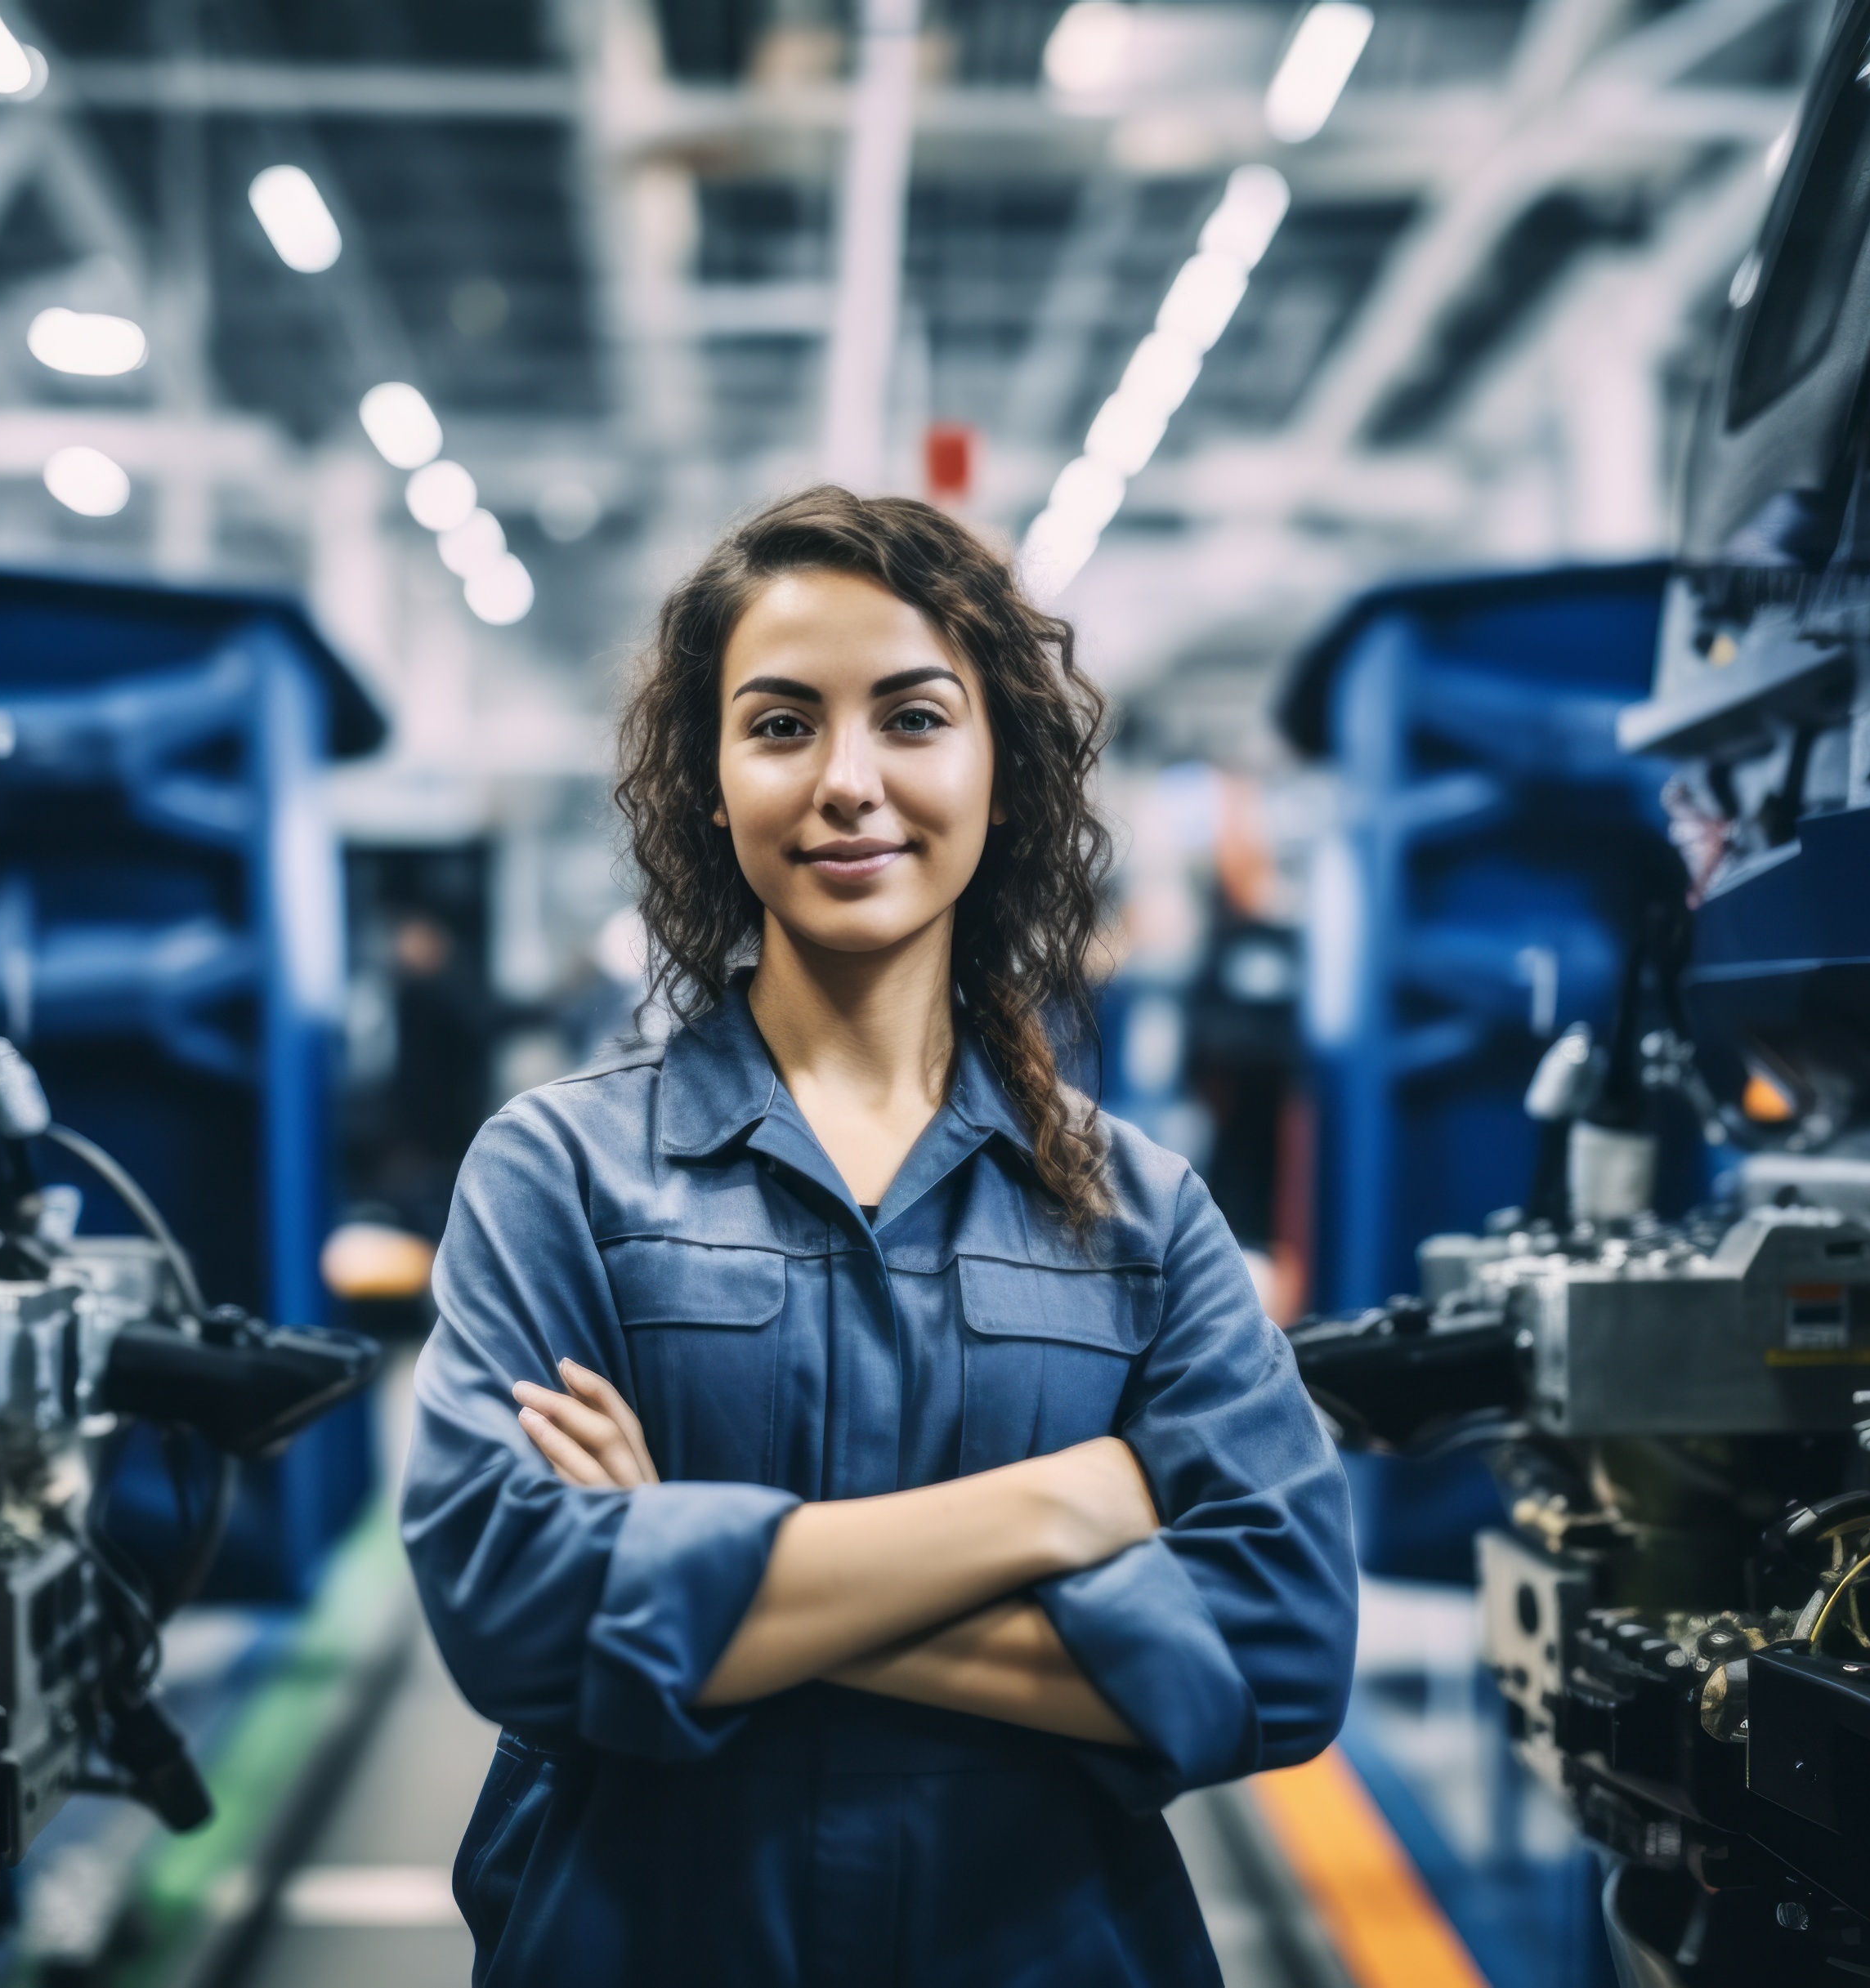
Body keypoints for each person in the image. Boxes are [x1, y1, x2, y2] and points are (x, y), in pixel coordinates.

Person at [400, 487, 1358, 1986]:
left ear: (1000, 770)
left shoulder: (1138, 1215)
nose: (847, 779)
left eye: (912, 717)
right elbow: (516, 1612)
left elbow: (1284, 1650)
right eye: (781, 725)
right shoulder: (561, 1173)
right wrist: (1051, 1513)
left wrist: (677, 1570)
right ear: (712, 784)